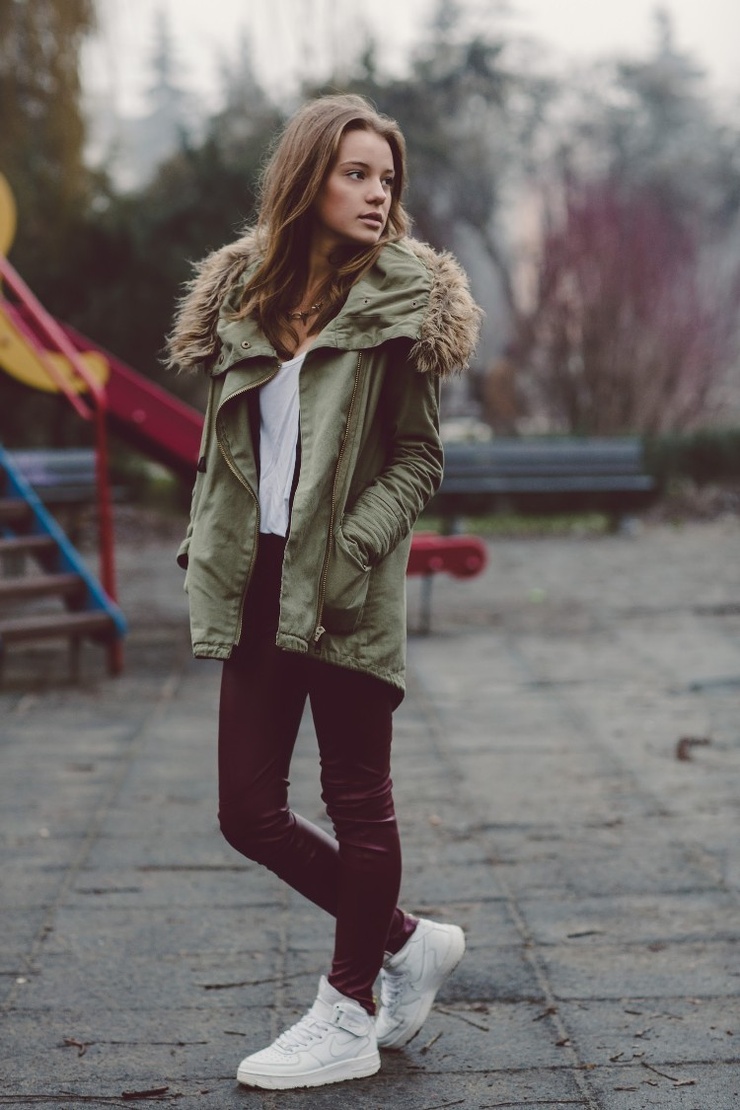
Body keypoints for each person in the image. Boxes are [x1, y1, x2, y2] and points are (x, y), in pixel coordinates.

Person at [166, 93, 481, 1091]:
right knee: (246, 812)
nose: (377, 193)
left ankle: (347, 1009)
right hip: (255, 580)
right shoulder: (244, 296)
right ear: (308, 180)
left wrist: (352, 545)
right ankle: (405, 941)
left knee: (357, 801)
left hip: (343, 584)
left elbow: (419, 457)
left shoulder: (403, 301)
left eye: (386, 178)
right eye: (356, 174)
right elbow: (229, 449)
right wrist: (206, 541)